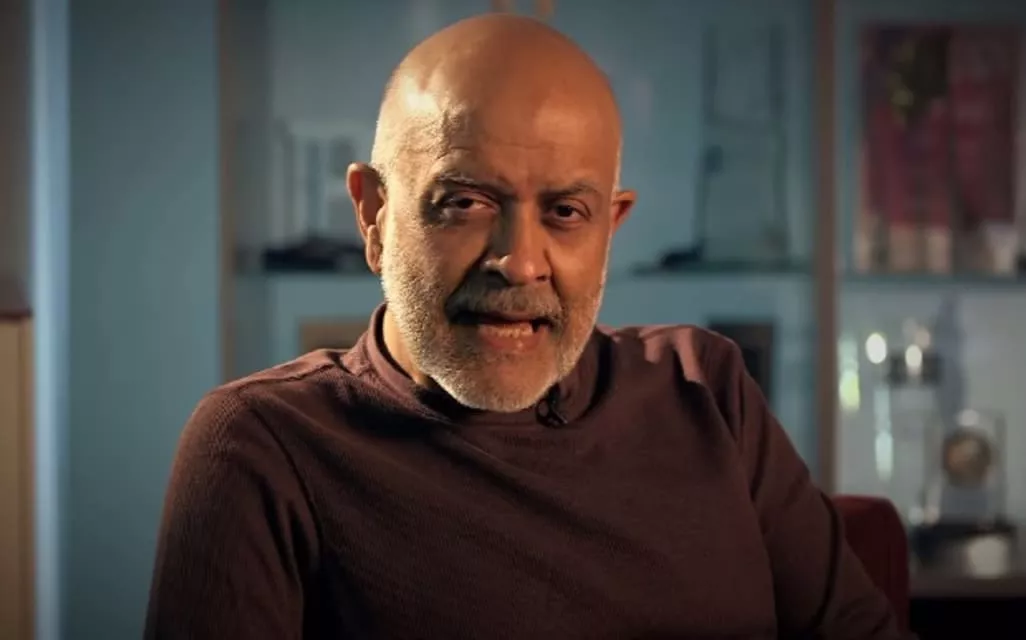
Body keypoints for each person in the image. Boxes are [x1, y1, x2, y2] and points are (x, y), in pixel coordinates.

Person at [145, 13, 906, 640]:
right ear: (373, 215)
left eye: (566, 212)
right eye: (465, 203)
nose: (519, 262)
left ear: (610, 228)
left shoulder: (705, 389)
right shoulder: (263, 447)